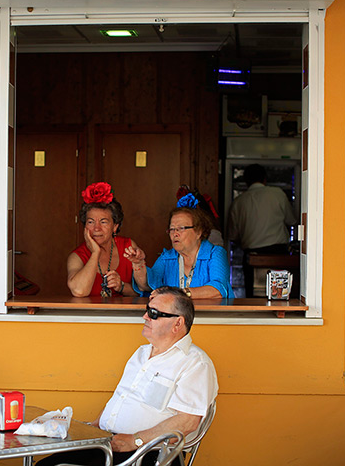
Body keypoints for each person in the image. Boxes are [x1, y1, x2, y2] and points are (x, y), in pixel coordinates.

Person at [36, 287, 218, 466]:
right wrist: (95, 426)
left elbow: (188, 421)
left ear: (177, 323)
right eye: (147, 310)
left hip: (150, 453)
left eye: (154, 313)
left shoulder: (195, 363)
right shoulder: (141, 353)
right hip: (109, 443)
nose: (145, 317)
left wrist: (135, 440)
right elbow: (121, 398)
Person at [125, 194, 233, 299]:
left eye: (181, 228)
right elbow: (146, 285)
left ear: (199, 231)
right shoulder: (167, 257)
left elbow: (218, 290)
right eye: (172, 229)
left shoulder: (215, 254)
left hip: (211, 316)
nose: (175, 233)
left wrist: (177, 294)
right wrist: (138, 264)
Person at [227, 163, 297, 296]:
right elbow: (292, 220)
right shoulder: (277, 194)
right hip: (278, 254)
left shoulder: (239, 202)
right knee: (280, 295)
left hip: (252, 255)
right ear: (265, 179)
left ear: (246, 181)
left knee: (253, 297)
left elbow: (233, 236)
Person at [68, 182, 140, 297]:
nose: (96, 228)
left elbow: (143, 291)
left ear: (115, 227)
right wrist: (95, 253)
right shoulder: (77, 257)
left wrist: (121, 286)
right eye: (91, 222)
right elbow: (79, 291)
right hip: (88, 314)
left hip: (123, 314)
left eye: (103, 222)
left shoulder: (128, 246)